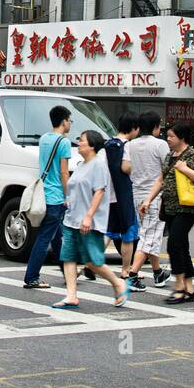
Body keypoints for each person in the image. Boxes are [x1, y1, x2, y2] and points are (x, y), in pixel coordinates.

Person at [52, 130, 131, 309]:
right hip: (72, 220)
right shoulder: (81, 165)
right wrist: (68, 201)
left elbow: (99, 191)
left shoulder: (98, 165)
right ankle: (71, 296)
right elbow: (75, 188)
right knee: (69, 257)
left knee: (92, 261)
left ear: (92, 146)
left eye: (82, 141)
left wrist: (88, 217)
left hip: (89, 222)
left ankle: (118, 284)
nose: (79, 143)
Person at [139, 122, 194, 304]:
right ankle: (189, 289)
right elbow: (160, 180)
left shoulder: (192, 155)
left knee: (174, 244)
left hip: (187, 208)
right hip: (169, 207)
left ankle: (179, 287)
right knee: (182, 246)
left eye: (171, 136)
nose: (168, 139)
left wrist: (185, 169)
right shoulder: (170, 156)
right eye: (167, 136)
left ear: (181, 137)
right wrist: (147, 200)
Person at [22, 106, 73, 290]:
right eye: (70, 120)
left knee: (57, 237)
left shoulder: (44, 138)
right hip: (56, 196)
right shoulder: (64, 142)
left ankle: (68, 273)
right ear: (64, 121)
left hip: (44, 193)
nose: (70, 124)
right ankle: (31, 277)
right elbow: (64, 172)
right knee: (45, 238)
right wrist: (68, 195)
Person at [125, 112, 172, 291]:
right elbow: (168, 169)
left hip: (136, 194)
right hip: (154, 196)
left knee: (148, 234)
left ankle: (158, 272)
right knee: (149, 237)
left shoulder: (131, 144)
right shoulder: (160, 144)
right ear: (155, 127)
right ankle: (133, 274)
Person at [105, 112, 140, 284]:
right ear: (133, 128)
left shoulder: (108, 143)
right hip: (124, 193)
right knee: (128, 231)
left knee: (109, 231)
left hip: (109, 194)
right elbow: (126, 167)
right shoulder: (126, 145)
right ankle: (126, 269)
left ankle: (91, 263)